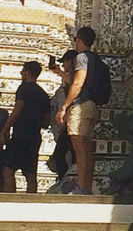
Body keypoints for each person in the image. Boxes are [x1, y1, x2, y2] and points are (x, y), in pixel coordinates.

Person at [56, 27, 98, 195]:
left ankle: (82, 187)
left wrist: (65, 106)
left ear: (79, 40)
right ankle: (86, 186)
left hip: (80, 106)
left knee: (79, 149)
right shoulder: (94, 59)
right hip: (91, 105)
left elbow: (78, 83)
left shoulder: (81, 57)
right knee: (86, 149)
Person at [0, 60, 51, 193]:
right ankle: (31, 202)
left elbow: (17, 112)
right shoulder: (43, 95)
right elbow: (46, 121)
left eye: (23, 71)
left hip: (21, 135)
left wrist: (4, 130)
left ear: (28, 72)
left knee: (8, 170)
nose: (21, 73)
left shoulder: (24, 89)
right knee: (30, 174)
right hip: (34, 136)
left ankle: (10, 201)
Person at [48, 50, 77, 182]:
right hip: (69, 123)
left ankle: (66, 179)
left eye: (64, 62)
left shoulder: (76, 76)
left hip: (73, 122)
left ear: (69, 62)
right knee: (67, 153)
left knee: (62, 154)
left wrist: (59, 72)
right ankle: (66, 178)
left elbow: (72, 82)